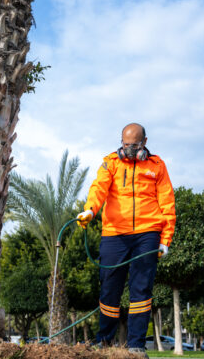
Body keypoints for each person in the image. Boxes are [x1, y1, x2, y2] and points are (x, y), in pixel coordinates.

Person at [77, 123, 176, 358]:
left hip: (147, 233)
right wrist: (90, 211)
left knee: (141, 290)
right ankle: (105, 342)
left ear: (145, 142)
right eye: (126, 144)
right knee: (110, 289)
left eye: (135, 145)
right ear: (121, 142)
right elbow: (98, 188)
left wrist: (165, 239)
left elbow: (167, 202)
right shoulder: (110, 162)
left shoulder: (157, 166)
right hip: (114, 234)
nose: (130, 149)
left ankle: (136, 346)